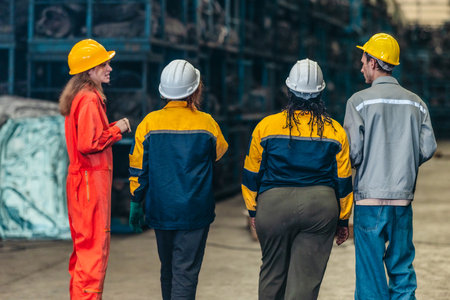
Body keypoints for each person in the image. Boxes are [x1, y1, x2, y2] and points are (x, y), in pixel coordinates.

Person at [241, 58, 353, 300]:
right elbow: (343, 181)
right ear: (321, 92)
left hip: (273, 206)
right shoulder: (335, 131)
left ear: (289, 90)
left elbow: (251, 174)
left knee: (272, 274)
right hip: (320, 207)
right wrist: (343, 220)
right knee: (305, 281)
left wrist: (253, 211)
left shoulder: (266, 127)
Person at [344, 33, 437, 300]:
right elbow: (428, 147)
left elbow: (353, 152)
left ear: (374, 62)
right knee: (402, 269)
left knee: (370, 274)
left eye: (363, 60)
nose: (361, 66)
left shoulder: (358, 102)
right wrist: (403, 161)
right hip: (402, 200)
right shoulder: (416, 103)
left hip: (368, 201)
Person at [128, 59, 228, 300]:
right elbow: (220, 153)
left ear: (163, 91)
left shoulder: (149, 123)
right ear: (195, 90)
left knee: (168, 268)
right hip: (195, 210)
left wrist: (135, 201)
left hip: (160, 209)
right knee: (185, 271)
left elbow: (138, 168)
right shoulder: (207, 123)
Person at [59, 39, 131, 300]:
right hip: (90, 184)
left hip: (82, 182)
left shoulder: (81, 97)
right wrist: (117, 128)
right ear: (89, 70)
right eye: (104, 64)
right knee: (93, 252)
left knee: (83, 252)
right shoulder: (89, 100)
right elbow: (89, 143)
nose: (109, 68)